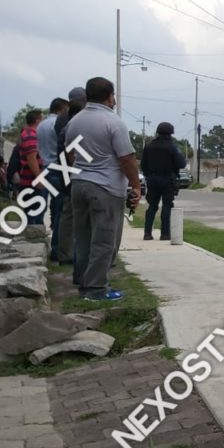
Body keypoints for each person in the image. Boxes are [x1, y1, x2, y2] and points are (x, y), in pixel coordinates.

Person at [65, 77, 141, 301]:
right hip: (106, 187)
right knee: (105, 240)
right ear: (109, 96)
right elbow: (126, 158)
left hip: (79, 184)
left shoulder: (75, 121)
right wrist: (136, 185)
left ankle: (83, 283)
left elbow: (70, 154)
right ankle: (97, 289)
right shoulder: (113, 122)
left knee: (83, 238)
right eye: (113, 95)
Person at [54, 87, 86, 266]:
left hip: (63, 168)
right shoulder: (75, 122)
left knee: (66, 213)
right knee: (69, 213)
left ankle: (65, 252)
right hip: (71, 169)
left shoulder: (62, 119)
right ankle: (67, 253)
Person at [141, 122, 187, 241]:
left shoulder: (148, 146)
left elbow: (143, 165)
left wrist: (149, 175)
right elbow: (181, 164)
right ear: (170, 134)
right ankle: (165, 234)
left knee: (152, 206)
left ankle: (147, 233)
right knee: (167, 206)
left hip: (152, 180)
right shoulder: (171, 147)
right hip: (167, 180)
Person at [39, 98, 69, 257]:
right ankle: (57, 249)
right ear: (61, 109)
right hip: (57, 168)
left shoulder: (41, 125)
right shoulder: (58, 124)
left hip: (43, 168)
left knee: (43, 206)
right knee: (60, 210)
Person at [19, 110, 45, 225]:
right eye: (42, 119)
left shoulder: (29, 134)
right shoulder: (30, 136)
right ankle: (32, 232)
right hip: (31, 181)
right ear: (37, 121)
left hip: (30, 180)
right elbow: (31, 158)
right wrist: (39, 178)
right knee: (33, 212)